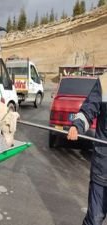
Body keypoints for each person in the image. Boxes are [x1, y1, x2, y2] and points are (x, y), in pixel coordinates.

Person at [67, 72, 107, 225]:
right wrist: (77, 126)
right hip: (102, 170)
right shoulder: (104, 82)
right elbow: (88, 110)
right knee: (94, 219)